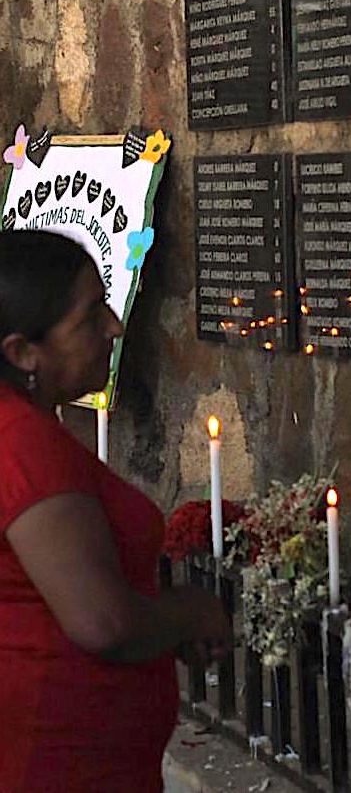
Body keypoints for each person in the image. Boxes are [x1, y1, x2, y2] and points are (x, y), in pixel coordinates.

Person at [0, 229, 231, 793]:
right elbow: (102, 622)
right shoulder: (20, 442)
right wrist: (190, 613)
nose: (115, 327)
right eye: (89, 317)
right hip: (55, 761)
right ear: (23, 352)